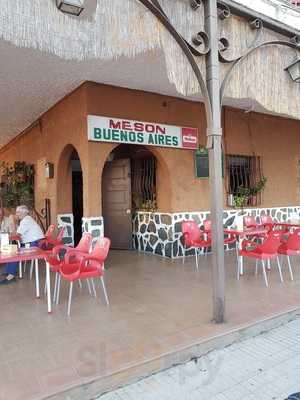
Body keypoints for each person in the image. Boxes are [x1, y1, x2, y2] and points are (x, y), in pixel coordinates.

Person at [0, 205, 44, 285]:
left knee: (14, 253)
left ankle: (11, 276)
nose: (16, 214)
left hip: (34, 245)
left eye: (18, 212)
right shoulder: (26, 220)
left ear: (24, 213)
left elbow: (16, 234)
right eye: (16, 212)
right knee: (13, 250)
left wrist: (12, 221)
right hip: (31, 243)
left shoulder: (26, 220)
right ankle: (9, 271)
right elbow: (17, 232)